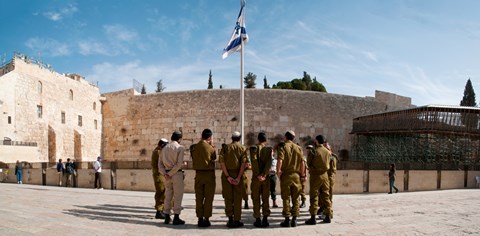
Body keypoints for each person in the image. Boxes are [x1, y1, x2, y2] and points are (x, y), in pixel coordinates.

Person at [276, 130, 306, 227]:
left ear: (285, 137)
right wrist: (302, 175)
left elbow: (280, 160)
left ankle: (287, 219)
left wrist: (278, 172)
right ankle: (294, 219)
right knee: (296, 198)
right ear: (293, 138)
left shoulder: (283, 147)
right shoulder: (299, 148)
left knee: (286, 198)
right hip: (296, 176)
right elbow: (302, 163)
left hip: (286, 175)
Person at [219, 131, 248, 228]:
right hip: (238, 174)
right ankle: (237, 220)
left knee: (228, 198)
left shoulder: (225, 148)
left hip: (227, 175)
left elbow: (222, 163)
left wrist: (227, 176)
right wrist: (239, 177)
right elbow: (243, 164)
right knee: (237, 198)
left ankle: (230, 219)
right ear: (239, 138)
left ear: (232, 138)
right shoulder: (242, 148)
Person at [191, 129, 217, 227]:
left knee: (199, 197)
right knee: (208, 198)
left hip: (198, 175)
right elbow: (214, 157)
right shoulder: (210, 148)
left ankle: (199, 218)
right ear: (209, 137)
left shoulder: (194, 147)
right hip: (209, 175)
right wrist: (212, 145)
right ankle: (206, 218)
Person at [159, 131, 185, 225]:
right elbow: (179, 164)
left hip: (167, 175)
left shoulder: (164, 148)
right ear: (179, 139)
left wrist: (165, 173)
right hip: (176, 174)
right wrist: (170, 173)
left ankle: (166, 216)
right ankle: (176, 217)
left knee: (168, 195)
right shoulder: (180, 148)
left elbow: (160, 164)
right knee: (178, 196)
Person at [305, 135, 332, 225]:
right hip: (325, 175)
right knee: (326, 195)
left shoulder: (314, 151)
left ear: (316, 141)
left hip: (315, 175)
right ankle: (328, 215)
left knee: (314, 195)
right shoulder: (328, 152)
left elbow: (308, 163)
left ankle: (313, 217)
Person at [250, 132, 272, 227]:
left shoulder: (254, 148)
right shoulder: (268, 150)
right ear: (265, 140)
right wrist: (264, 174)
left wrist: (258, 174)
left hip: (256, 178)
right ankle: (265, 219)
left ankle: (258, 219)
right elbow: (269, 163)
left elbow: (254, 161)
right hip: (265, 178)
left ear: (258, 140)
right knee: (265, 198)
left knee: (256, 198)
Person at [152, 138, 168, 219]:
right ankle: (159, 211)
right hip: (159, 175)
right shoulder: (158, 152)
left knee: (162, 192)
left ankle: (161, 210)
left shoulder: (158, 151)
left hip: (160, 175)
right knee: (161, 192)